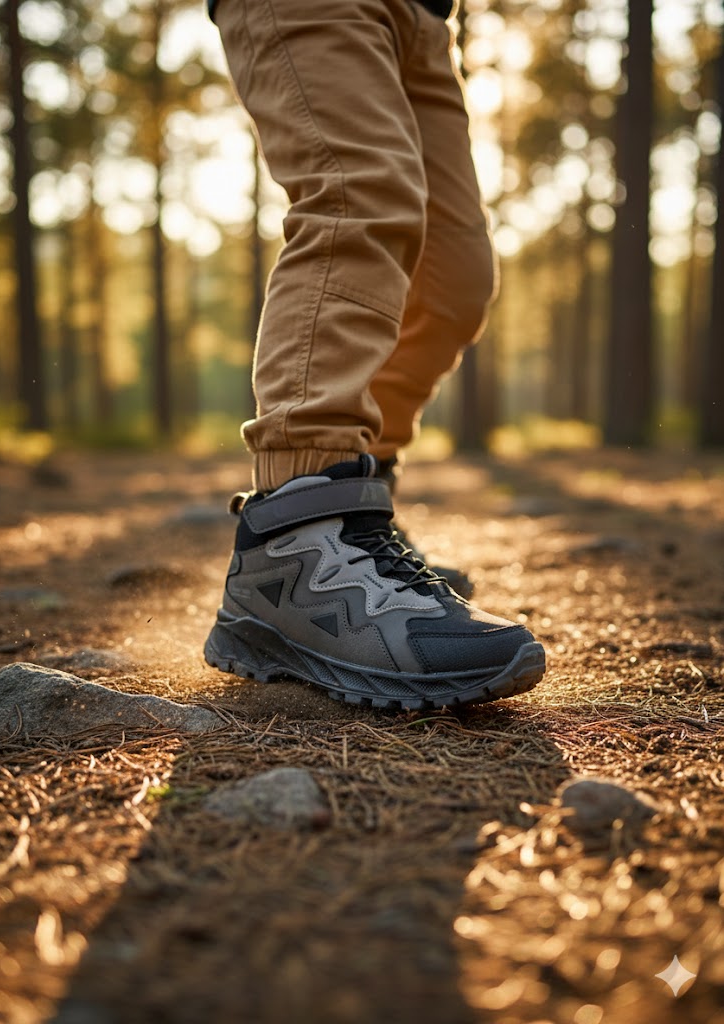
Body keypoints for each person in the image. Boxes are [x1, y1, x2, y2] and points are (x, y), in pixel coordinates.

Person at [203, 0, 546, 708]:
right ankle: (302, 535)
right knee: (357, 197)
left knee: (452, 284)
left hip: (422, 19)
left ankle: (359, 523)